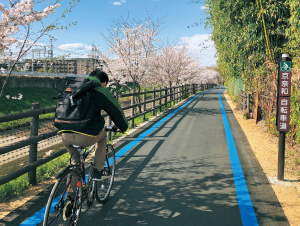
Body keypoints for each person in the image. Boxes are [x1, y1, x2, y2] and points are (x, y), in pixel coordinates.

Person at [59, 69, 128, 194]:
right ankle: (98, 168)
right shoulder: (98, 90)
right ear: (104, 82)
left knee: (76, 163)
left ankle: (70, 198)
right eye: (106, 84)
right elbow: (115, 111)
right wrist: (123, 127)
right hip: (86, 135)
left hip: (65, 135)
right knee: (102, 137)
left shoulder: (73, 87)